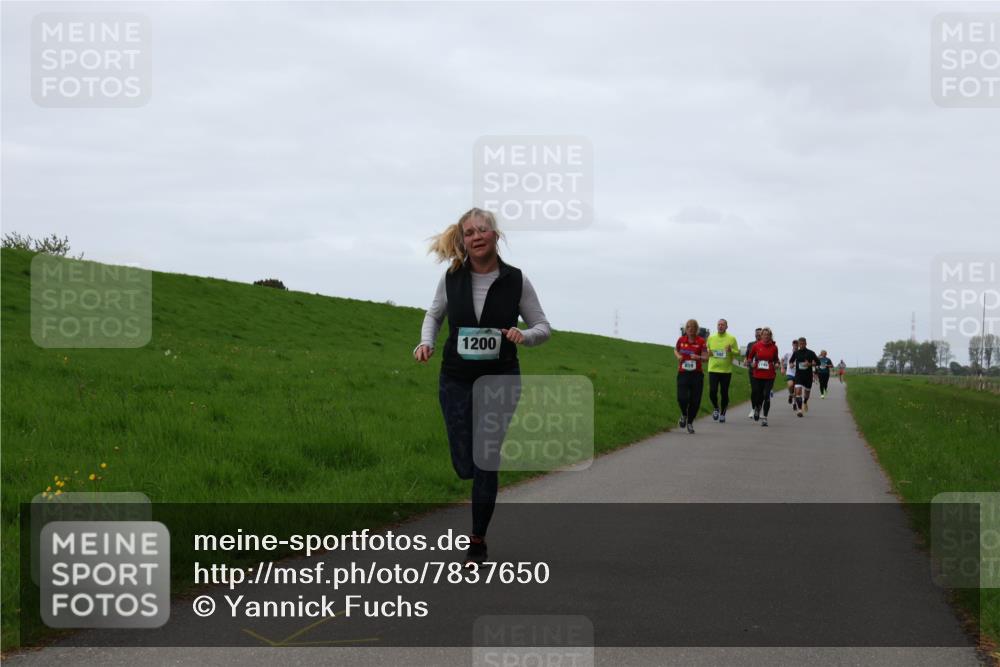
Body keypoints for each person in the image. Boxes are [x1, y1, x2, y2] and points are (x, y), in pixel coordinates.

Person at [414, 208, 551, 565]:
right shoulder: (452, 277)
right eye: (469, 232)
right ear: (463, 240)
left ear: (495, 235)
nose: (476, 236)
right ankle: (473, 474)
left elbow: (543, 327)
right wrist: (425, 342)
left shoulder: (516, 280)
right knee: (465, 464)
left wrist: (524, 335)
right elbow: (434, 314)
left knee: (486, 458)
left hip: (500, 377)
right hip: (456, 377)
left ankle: (477, 540)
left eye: (482, 230)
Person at [674, 319, 708, 434]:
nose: (690, 329)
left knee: (695, 400)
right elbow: (676, 350)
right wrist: (678, 356)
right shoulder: (681, 340)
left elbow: (706, 358)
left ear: (696, 329)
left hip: (696, 375)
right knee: (682, 398)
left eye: (693, 327)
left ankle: (690, 422)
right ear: (686, 329)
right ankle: (684, 414)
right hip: (683, 373)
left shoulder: (701, 341)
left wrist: (698, 357)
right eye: (688, 327)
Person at [706, 319, 740, 423]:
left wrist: (731, 350)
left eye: (722, 325)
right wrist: (708, 352)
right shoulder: (711, 338)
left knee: (724, 393)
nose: (720, 326)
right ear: (717, 326)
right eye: (719, 324)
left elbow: (737, 352)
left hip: (726, 371)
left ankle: (723, 414)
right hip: (713, 369)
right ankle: (716, 408)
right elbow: (706, 349)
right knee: (712, 392)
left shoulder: (731, 338)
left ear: (726, 327)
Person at [747, 327, 781, 426]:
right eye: (764, 335)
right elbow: (750, 358)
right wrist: (751, 364)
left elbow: (776, 359)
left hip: (769, 375)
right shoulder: (756, 346)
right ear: (761, 336)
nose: (766, 336)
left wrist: (777, 364)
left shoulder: (774, 347)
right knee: (758, 394)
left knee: (766, 395)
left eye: (768, 335)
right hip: (758, 374)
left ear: (770, 336)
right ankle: (757, 408)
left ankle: (765, 418)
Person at [789, 336, 819, 417]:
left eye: (803, 344)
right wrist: (791, 364)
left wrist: (810, 364)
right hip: (799, 375)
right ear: (798, 344)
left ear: (806, 344)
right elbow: (791, 361)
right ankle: (799, 410)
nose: (801, 345)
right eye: (800, 344)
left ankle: (805, 402)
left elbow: (818, 362)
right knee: (798, 391)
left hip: (808, 376)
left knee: (807, 394)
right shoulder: (796, 353)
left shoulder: (811, 353)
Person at [745, 327, 762, 418]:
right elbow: (747, 356)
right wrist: (747, 361)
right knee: (754, 390)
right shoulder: (750, 344)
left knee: (761, 392)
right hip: (753, 371)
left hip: (763, 371)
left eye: (759, 333)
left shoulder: (767, 344)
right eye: (756, 333)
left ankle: (759, 409)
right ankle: (753, 408)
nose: (758, 335)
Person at [782, 340, 799, 407]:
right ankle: (790, 395)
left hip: (798, 373)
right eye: (794, 344)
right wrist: (782, 368)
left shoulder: (801, 353)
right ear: (792, 345)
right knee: (790, 385)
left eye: (796, 344)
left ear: (798, 345)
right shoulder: (788, 353)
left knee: (796, 389)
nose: (795, 346)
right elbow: (782, 359)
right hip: (790, 372)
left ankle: (794, 403)